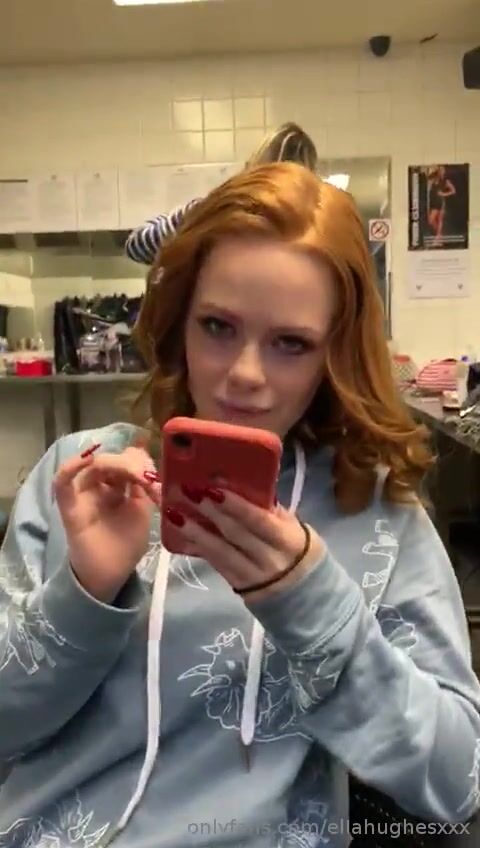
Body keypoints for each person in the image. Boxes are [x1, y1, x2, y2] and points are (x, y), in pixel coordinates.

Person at [1, 162, 479, 848]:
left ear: (334, 357)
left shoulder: (375, 516)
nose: (245, 375)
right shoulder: (82, 477)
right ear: (178, 324)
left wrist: (310, 603)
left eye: (291, 343)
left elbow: (458, 782)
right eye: (218, 326)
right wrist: (84, 590)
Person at [124, 122, 318, 265]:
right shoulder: (317, 227)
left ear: (252, 165)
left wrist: (189, 215)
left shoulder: (218, 210)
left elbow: (137, 246)